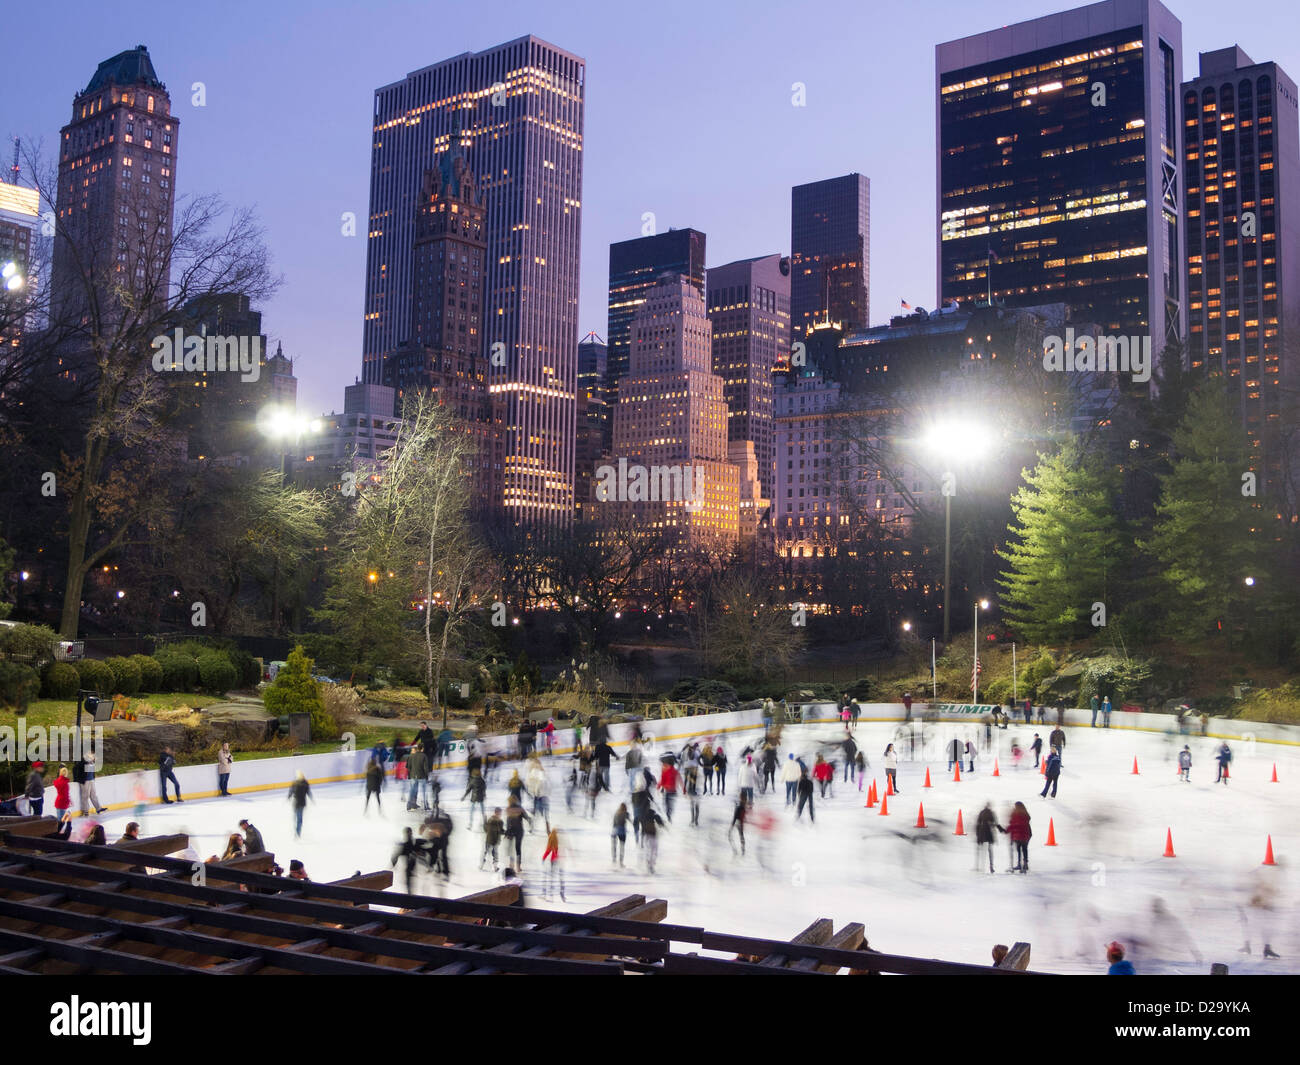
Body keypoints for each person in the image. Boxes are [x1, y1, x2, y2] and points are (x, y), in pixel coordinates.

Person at [392, 827, 425, 893]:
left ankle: (410, 897)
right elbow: (397, 855)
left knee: (409, 886)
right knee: (409, 886)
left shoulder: (410, 844)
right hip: (410, 870)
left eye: (408, 833)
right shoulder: (408, 844)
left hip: (410, 870)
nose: (408, 834)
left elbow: (396, 855)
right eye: (408, 833)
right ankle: (410, 896)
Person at [975, 802, 1005, 873]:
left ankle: (981, 867)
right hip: (989, 833)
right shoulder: (991, 813)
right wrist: (1001, 829)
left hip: (982, 833)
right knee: (990, 850)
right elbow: (996, 823)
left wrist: (977, 835)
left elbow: (978, 824)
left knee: (983, 850)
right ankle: (991, 866)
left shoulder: (981, 812)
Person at [503, 800, 532, 870]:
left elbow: (508, 822)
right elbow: (528, 818)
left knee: (512, 849)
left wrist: (507, 832)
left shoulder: (509, 809)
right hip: (519, 831)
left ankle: (511, 864)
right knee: (518, 848)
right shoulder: (520, 809)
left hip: (511, 831)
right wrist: (530, 826)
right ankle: (518, 866)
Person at [284, 770, 313, 838]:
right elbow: (308, 792)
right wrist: (311, 799)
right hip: (301, 803)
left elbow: (291, 792)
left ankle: (297, 831)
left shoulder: (295, 783)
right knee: (299, 819)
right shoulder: (305, 783)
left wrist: (288, 798)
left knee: (296, 818)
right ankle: (298, 832)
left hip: (296, 803)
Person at [525, 758, 550, 831]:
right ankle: (545, 829)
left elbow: (540, 783)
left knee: (539, 814)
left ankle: (534, 827)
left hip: (540, 796)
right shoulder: (536, 772)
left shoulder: (539, 772)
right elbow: (529, 783)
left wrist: (535, 790)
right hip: (541, 796)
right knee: (541, 814)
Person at [541, 825, 566, 900]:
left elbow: (548, 850)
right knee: (561, 877)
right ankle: (562, 893)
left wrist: (543, 858)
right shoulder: (561, 839)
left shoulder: (552, 837)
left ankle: (551, 893)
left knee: (552, 876)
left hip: (554, 860)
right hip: (561, 860)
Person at [79, 750, 105, 816]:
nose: (93, 756)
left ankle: (98, 808)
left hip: (91, 779)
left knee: (93, 795)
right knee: (85, 796)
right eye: (92, 755)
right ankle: (85, 811)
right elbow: (81, 770)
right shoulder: (83, 761)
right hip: (86, 780)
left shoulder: (91, 761)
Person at [1008, 801, 1032, 872]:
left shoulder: (1015, 814)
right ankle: (1025, 864)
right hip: (1026, 834)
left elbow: (1012, 824)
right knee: (1024, 849)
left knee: (1019, 849)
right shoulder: (1025, 814)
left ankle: (1019, 864)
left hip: (1018, 835)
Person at [641, 807, 666, 873]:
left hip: (646, 835)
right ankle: (651, 866)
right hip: (653, 835)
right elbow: (661, 823)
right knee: (654, 851)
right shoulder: (655, 816)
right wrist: (663, 825)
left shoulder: (644, 817)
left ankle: (648, 863)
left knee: (648, 850)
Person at [405, 743, 428, 811]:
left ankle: (409, 805)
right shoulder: (424, 756)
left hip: (413, 776)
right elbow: (426, 768)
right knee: (424, 791)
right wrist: (426, 776)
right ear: (422, 748)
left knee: (412, 791)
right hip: (422, 776)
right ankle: (425, 806)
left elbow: (408, 767)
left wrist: (411, 774)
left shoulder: (411, 756)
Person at [53, 766, 74, 838]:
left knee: (60, 819)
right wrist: (69, 802)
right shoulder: (65, 784)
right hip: (63, 802)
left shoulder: (57, 782)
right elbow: (66, 794)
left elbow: (56, 784)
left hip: (58, 801)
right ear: (66, 774)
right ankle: (57, 833)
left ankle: (57, 832)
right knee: (61, 820)